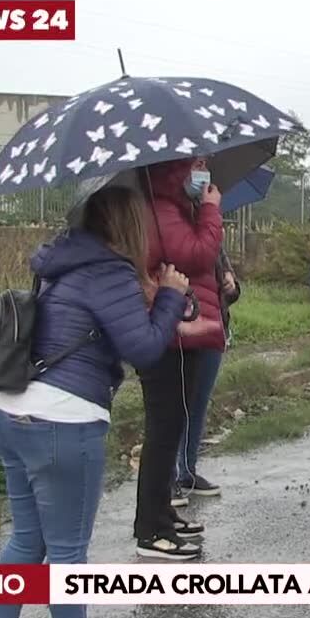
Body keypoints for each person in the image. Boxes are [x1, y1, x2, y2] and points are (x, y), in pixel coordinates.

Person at [0, 184, 211, 618]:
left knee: (27, 540)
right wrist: (168, 295)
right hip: (62, 421)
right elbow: (144, 350)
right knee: (65, 549)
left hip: (10, 411)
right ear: (127, 223)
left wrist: (159, 298)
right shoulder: (107, 272)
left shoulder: (58, 265)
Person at [132, 157, 226, 559]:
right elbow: (195, 255)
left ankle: (163, 515)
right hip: (166, 332)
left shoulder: (171, 204)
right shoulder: (161, 207)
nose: (202, 171)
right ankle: (151, 530)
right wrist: (210, 210)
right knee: (163, 429)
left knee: (171, 428)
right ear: (175, 169)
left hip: (181, 331)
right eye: (196, 163)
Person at [171, 241, 240, 505]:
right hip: (183, 328)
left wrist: (231, 286)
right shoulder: (175, 234)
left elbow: (229, 290)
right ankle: (168, 480)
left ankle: (188, 471)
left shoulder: (215, 242)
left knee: (198, 405)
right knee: (176, 406)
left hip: (214, 328)